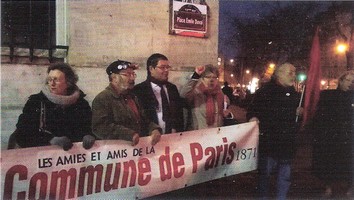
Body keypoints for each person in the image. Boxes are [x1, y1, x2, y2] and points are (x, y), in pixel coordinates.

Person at [246, 62, 303, 199]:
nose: (294, 76)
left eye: (294, 73)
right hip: (269, 142)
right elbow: (253, 110)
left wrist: (300, 114)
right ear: (279, 74)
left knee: (284, 176)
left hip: (287, 142)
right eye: (290, 73)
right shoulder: (265, 91)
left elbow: (297, 119)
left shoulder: (295, 94)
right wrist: (253, 117)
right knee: (265, 175)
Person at [15, 63, 95, 151]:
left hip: (74, 159)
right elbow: (22, 134)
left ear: (68, 82)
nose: (52, 83)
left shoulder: (81, 103)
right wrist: (50, 140)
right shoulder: (36, 102)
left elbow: (90, 126)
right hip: (44, 158)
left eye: (56, 80)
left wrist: (89, 135)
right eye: (49, 79)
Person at [92, 60, 162, 146]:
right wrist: (129, 134)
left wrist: (154, 129)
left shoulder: (133, 97)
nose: (132, 78)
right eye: (127, 75)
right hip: (117, 153)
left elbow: (144, 120)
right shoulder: (103, 98)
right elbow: (100, 127)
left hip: (135, 151)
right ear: (114, 78)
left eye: (133, 74)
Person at [310, 70, 354, 198]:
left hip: (349, 136)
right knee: (330, 162)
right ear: (340, 81)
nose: (350, 83)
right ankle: (328, 187)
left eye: (353, 81)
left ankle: (351, 188)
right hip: (333, 135)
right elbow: (320, 115)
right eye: (348, 80)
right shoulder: (328, 96)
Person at [133, 53, 184, 134]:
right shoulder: (139, 90)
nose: (166, 70)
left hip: (173, 138)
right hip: (149, 139)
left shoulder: (172, 88)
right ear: (151, 69)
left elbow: (179, 115)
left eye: (167, 67)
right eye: (162, 67)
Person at [180, 65, 234, 130]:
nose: (211, 80)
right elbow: (183, 94)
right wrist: (196, 75)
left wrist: (228, 115)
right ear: (202, 79)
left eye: (214, 77)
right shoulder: (196, 93)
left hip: (215, 135)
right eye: (208, 77)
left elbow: (224, 115)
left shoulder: (221, 95)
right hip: (198, 136)